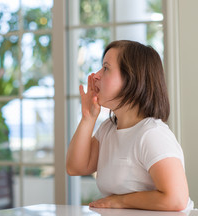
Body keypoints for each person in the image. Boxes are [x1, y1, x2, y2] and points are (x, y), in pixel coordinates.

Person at [66, 40, 194, 212]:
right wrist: (88, 118)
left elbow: (176, 199)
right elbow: (76, 167)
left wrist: (118, 201)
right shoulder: (108, 129)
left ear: (132, 80)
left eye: (105, 68)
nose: (95, 75)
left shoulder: (152, 134)